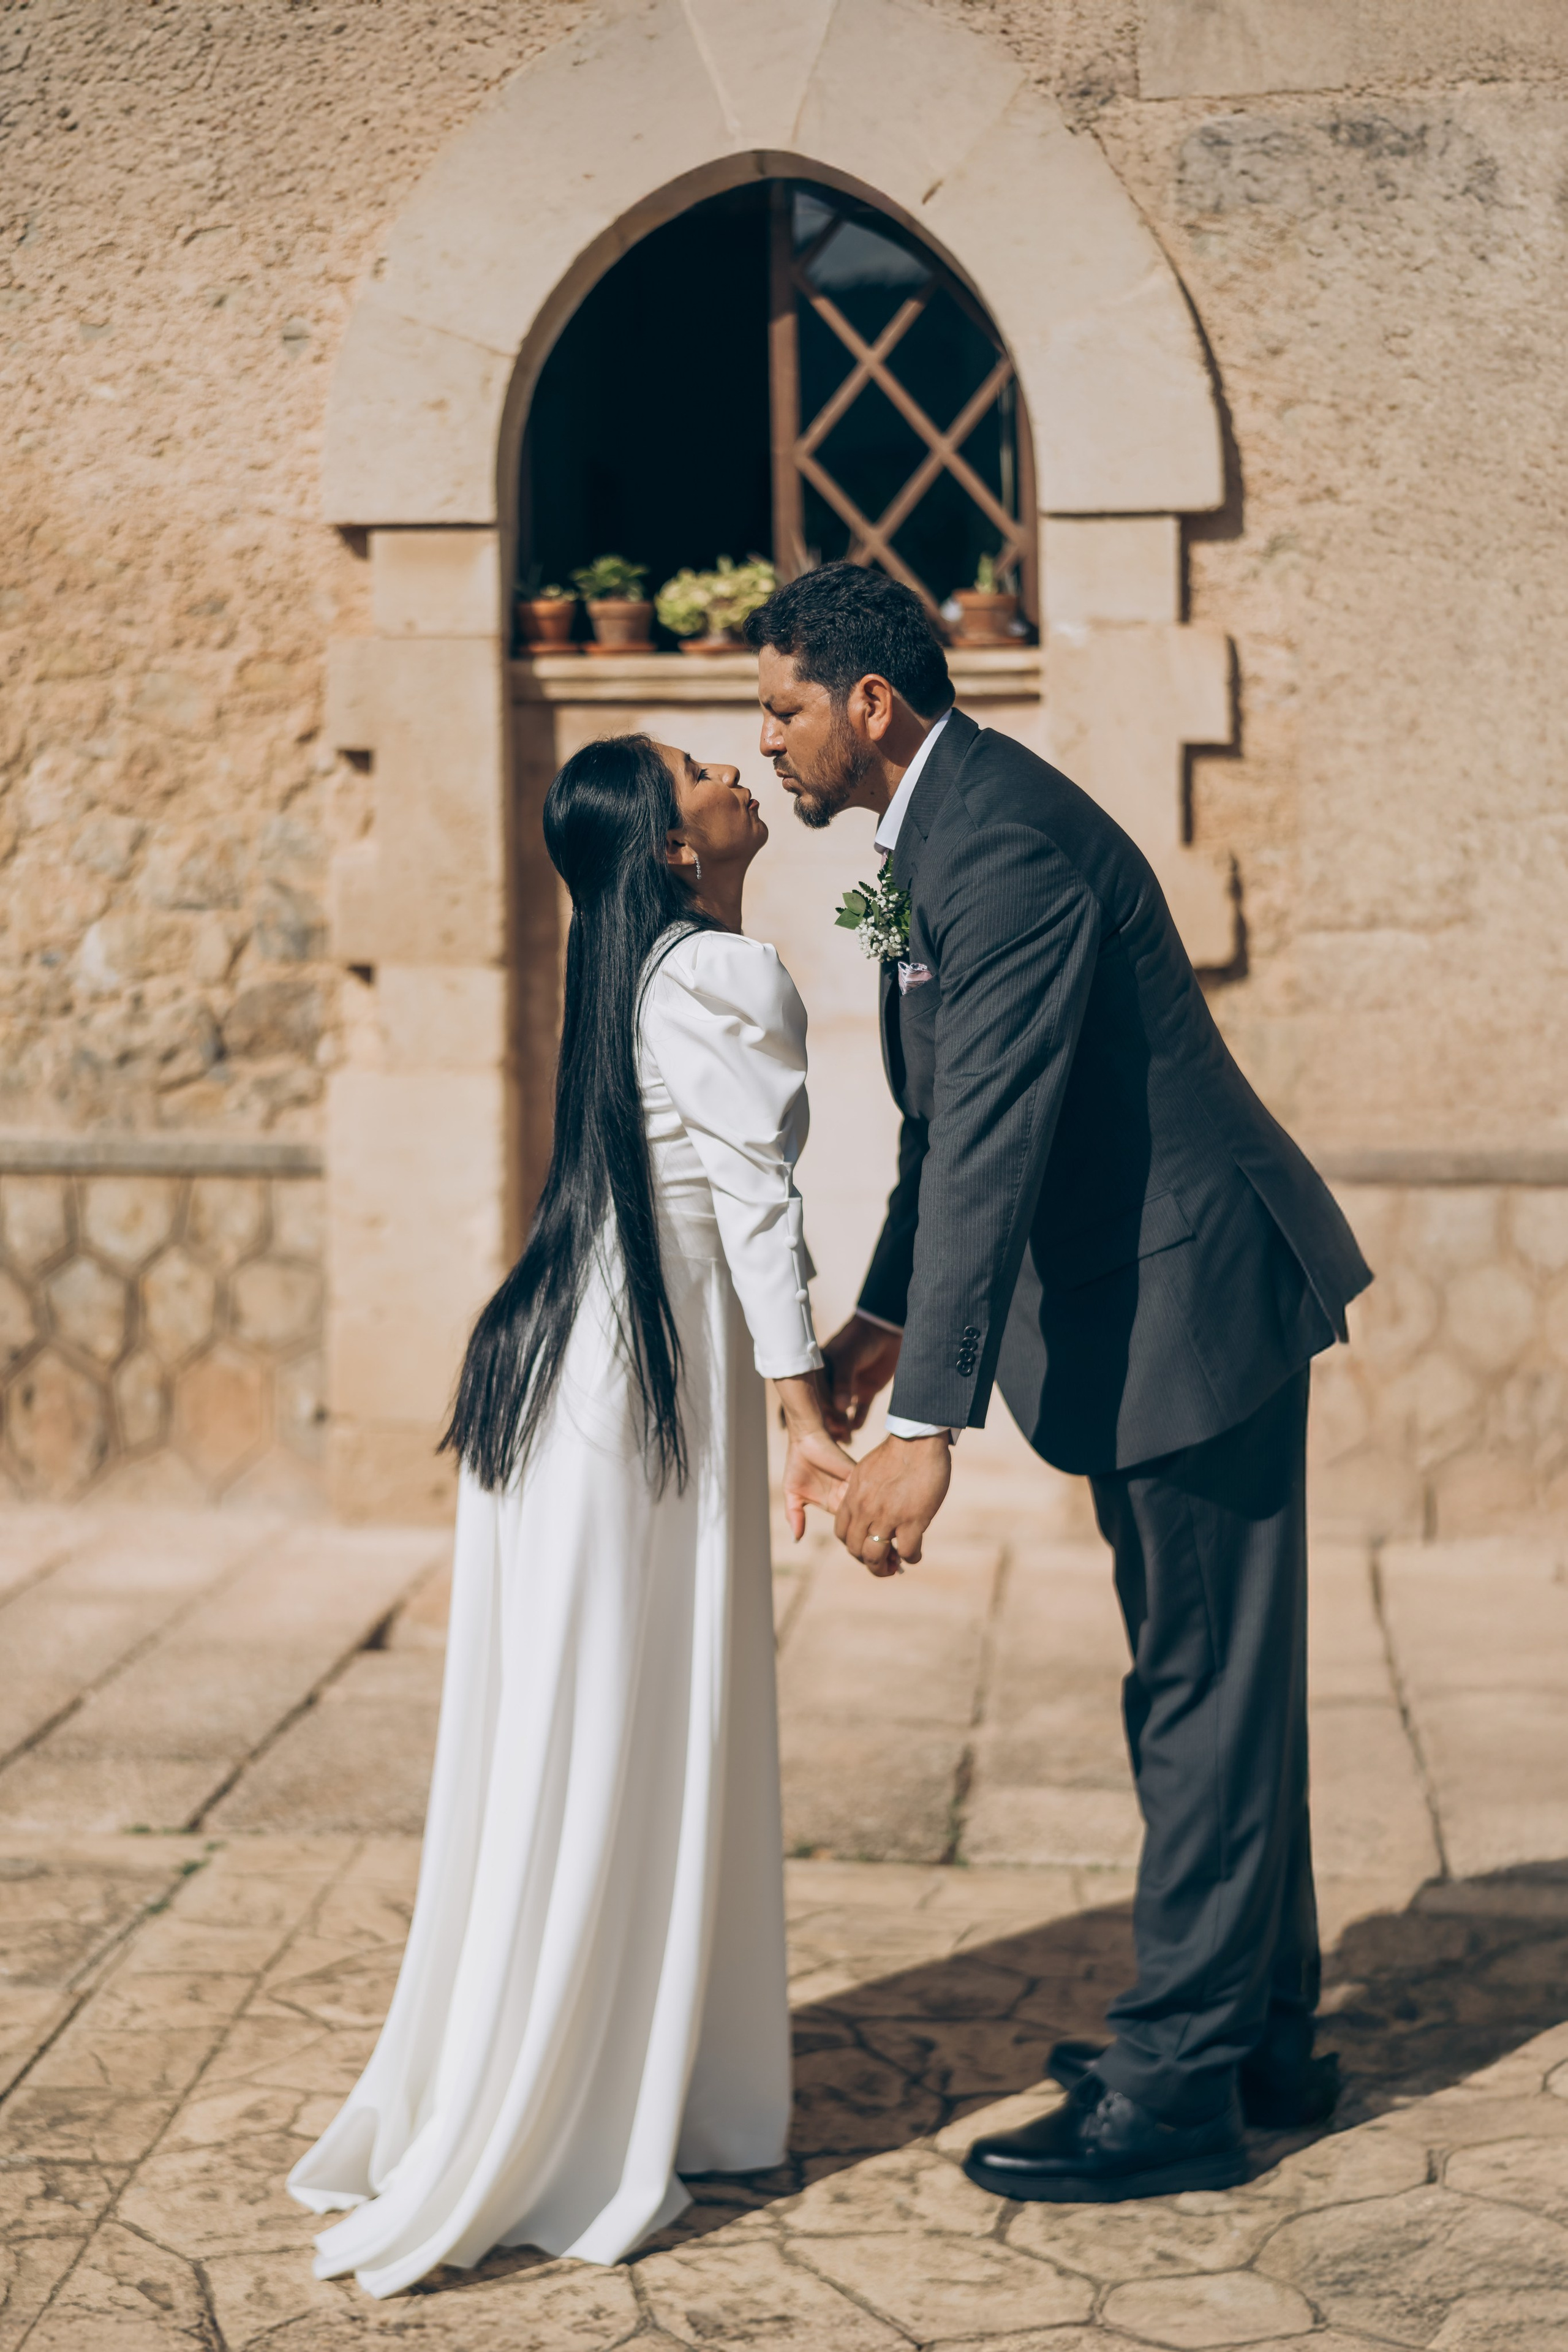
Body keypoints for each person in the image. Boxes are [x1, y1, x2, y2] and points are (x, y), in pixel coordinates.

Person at [744, 564, 1373, 2204]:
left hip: (1191, 1300)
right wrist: (886, 1313)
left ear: (871, 704)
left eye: (783, 708)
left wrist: (929, 1429)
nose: (764, 745)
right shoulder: (931, 835)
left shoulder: (999, 839)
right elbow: (947, 1121)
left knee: (1199, 1689)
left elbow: (1001, 1129)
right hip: (1140, 1304)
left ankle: (1174, 2090)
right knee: (1213, 1678)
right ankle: (1258, 2035)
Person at [288, 734, 849, 2290]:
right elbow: (753, 1202)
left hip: (576, 1363)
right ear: (674, 849)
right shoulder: (711, 979)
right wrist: (805, 1411)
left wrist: (786, 1396)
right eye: (695, 770)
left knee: (567, 1718)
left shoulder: (638, 974)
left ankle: (594, 2073)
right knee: (620, 1716)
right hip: (639, 1383)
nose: (731, 764)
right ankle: (586, 2104)